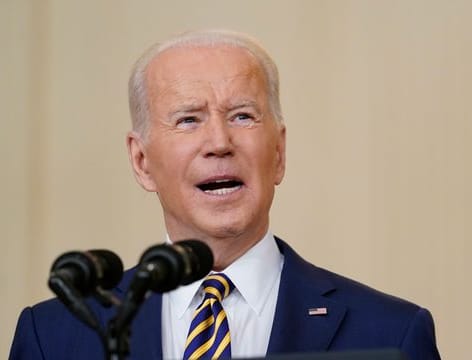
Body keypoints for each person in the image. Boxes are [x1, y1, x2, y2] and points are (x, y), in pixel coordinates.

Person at [10, 29, 441, 360]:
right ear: (142, 162)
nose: (219, 141)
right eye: (188, 120)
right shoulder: (54, 336)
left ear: (278, 153)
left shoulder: (391, 332)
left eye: (242, 115)